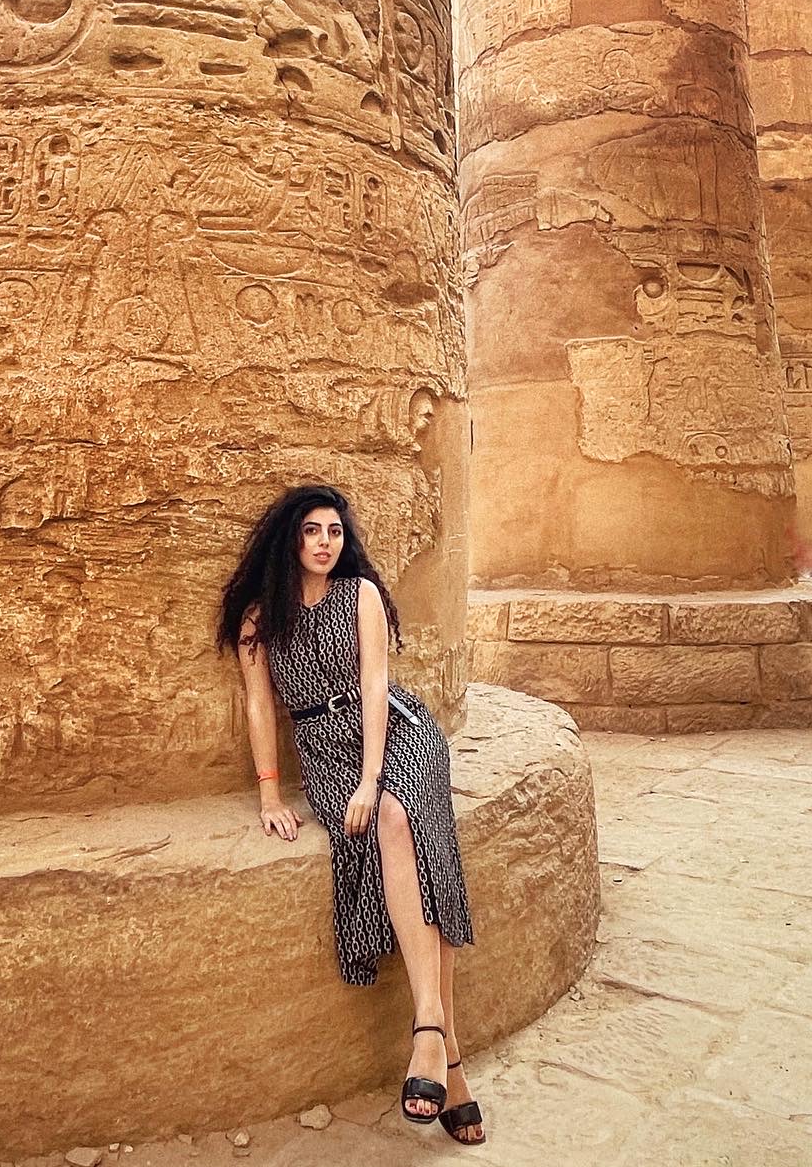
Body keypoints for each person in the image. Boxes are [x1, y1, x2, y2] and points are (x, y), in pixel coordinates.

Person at [216, 484, 485, 1146]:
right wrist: (270, 795)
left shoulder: (360, 594)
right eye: (312, 530)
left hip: (396, 733)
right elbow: (260, 706)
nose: (325, 542)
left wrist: (370, 780)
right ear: (291, 539)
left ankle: (427, 1031)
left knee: (395, 816)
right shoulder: (260, 618)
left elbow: (374, 685)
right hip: (323, 750)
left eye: (335, 531)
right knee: (414, 847)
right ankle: (447, 1056)